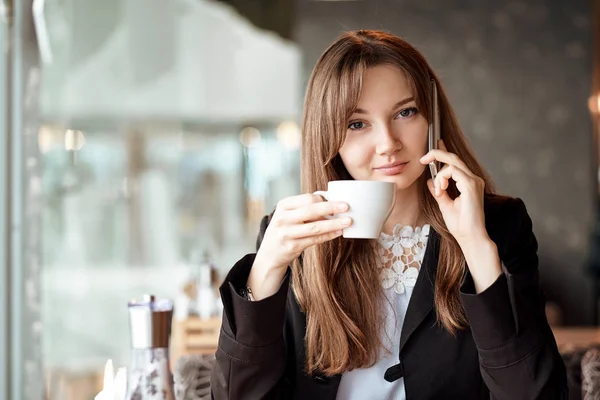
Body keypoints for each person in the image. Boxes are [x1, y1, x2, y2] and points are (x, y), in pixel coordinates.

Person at [210, 30, 568, 399]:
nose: (388, 144)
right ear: (328, 138)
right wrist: (266, 270)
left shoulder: (497, 225)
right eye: (357, 123)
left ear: (433, 120)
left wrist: (476, 246)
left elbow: (535, 393)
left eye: (405, 112)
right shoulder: (294, 233)